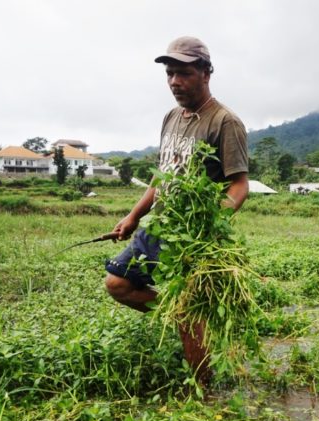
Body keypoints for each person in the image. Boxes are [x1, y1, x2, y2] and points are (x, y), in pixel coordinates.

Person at [104, 36, 249, 384]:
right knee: (117, 283)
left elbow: (239, 185)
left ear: (205, 73)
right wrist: (134, 216)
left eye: (182, 74)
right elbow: (162, 176)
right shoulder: (171, 117)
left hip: (192, 233)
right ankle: (182, 313)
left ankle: (204, 390)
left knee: (188, 313)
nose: (174, 82)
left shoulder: (225, 121)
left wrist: (209, 225)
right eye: (169, 74)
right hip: (159, 227)